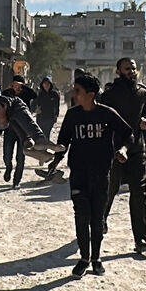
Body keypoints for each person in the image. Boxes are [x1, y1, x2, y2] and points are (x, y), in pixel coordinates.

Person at [56, 72, 132, 277]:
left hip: (101, 173)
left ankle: (97, 258)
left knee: (97, 218)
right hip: (78, 173)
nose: (74, 93)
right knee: (81, 215)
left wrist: (123, 150)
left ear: (91, 94)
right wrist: (52, 157)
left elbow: (128, 134)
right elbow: (64, 142)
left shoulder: (107, 114)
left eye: (77, 90)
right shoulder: (72, 115)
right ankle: (84, 258)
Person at [100, 57, 146, 254]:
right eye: (126, 68)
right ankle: (101, 221)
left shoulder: (142, 92)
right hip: (114, 149)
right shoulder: (110, 94)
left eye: (133, 68)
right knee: (109, 189)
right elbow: (101, 117)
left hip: (137, 149)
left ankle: (140, 239)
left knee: (139, 194)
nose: (131, 71)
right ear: (118, 71)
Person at [0, 75, 36, 186]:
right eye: (15, 84)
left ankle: (17, 181)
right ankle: (8, 167)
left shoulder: (27, 93)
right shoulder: (7, 93)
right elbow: (0, 98)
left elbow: (35, 95)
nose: (16, 87)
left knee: (21, 156)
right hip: (10, 128)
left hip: (24, 130)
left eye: (19, 84)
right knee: (7, 154)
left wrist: (24, 87)